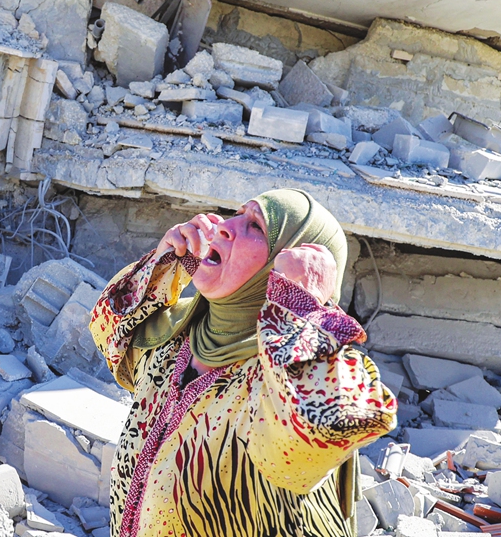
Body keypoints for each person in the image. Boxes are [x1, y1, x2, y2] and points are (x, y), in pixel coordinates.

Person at [90, 188, 397, 537]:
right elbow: (111, 334)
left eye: (255, 226)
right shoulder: (179, 342)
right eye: (236, 213)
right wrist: (164, 264)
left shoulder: (284, 381)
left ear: (286, 263)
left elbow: (327, 426)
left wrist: (303, 308)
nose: (223, 226)